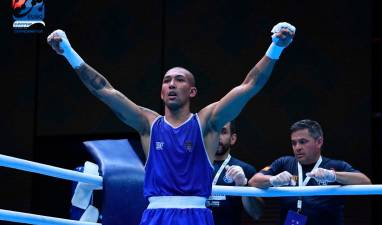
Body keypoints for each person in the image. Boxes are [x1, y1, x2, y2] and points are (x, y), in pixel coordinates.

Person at [47, 22, 296, 225]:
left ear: (192, 91)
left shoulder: (207, 122)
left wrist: (276, 47)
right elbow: (103, 89)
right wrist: (68, 52)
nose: (172, 84)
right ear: (161, 92)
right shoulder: (147, 123)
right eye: (167, 80)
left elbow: (248, 86)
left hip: (195, 214)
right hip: (155, 215)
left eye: (179, 80)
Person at [249, 119, 371, 225]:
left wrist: (334, 176)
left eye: (303, 142)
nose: (297, 147)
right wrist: (272, 180)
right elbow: (253, 181)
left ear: (319, 142)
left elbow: (366, 182)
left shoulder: (335, 165)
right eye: (294, 143)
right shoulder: (284, 163)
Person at [207, 121, 264, 225]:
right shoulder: (194, 169)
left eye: (223, 132)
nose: (217, 136)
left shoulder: (246, 170)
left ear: (232, 139)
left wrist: (243, 186)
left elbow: (257, 214)